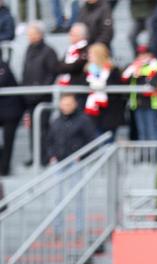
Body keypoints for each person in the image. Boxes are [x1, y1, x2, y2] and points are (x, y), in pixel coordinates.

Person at [21, 22, 59, 167]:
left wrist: (41, 89)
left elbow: (52, 73)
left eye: (32, 34)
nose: (29, 37)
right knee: (32, 129)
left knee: (43, 129)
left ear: (40, 34)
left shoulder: (49, 51)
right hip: (29, 97)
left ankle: (44, 156)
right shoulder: (28, 49)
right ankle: (34, 155)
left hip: (42, 97)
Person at [84, 43, 125, 138]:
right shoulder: (88, 71)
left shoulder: (113, 70)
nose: (88, 57)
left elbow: (117, 90)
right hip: (94, 113)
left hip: (110, 113)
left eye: (91, 54)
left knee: (108, 142)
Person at [123, 44, 157, 141]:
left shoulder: (156, 66)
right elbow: (124, 78)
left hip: (152, 104)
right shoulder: (133, 67)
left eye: (145, 54)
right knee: (142, 133)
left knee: (152, 132)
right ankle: (144, 156)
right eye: (140, 55)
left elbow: (154, 81)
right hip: (137, 104)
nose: (142, 57)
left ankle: (154, 156)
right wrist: (134, 71)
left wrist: (140, 73)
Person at [46, 94, 96, 163]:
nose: (66, 107)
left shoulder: (84, 120)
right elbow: (49, 141)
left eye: (68, 104)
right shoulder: (56, 121)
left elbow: (91, 140)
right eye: (64, 104)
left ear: (75, 104)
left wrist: (82, 156)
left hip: (77, 163)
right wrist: (52, 156)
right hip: (58, 162)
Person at [0, 58, 23, 176]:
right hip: (3, 111)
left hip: (11, 111)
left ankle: (4, 170)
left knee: (8, 141)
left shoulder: (3, 65)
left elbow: (2, 81)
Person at [57, 23, 90, 88]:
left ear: (80, 36)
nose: (70, 36)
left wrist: (65, 67)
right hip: (67, 85)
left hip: (79, 85)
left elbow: (76, 66)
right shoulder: (70, 49)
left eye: (72, 34)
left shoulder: (86, 49)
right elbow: (59, 66)